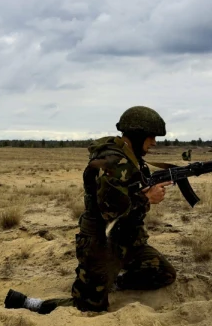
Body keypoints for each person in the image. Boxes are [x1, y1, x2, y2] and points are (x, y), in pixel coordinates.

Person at [71, 106, 178, 311]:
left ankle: (115, 279)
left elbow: (127, 192)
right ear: (138, 136)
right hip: (102, 243)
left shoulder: (131, 159)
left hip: (128, 240)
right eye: (150, 137)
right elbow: (109, 212)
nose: (153, 142)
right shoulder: (113, 162)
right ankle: (31, 303)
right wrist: (147, 198)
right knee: (88, 306)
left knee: (164, 273)